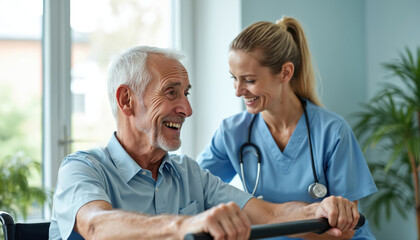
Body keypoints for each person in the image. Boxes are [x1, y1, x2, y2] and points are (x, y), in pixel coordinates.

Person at [49, 46, 360, 240]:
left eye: (187, 93)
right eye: (171, 92)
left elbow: (270, 215)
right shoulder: (82, 169)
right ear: (126, 100)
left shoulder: (188, 174)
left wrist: (321, 209)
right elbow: (96, 227)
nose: (187, 109)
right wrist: (184, 226)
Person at [198, 17, 378, 240]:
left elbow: (345, 231)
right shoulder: (232, 133)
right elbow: (195, 188)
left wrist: (271, 223)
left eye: (249, 80)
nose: (238, 91)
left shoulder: (332, 132)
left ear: (285, 73)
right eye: (234, 78)